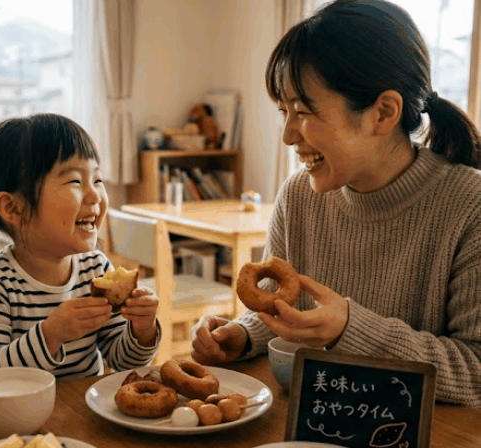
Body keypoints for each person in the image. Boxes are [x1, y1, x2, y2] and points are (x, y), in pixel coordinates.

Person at [190, 0, 481, 407]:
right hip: (313, 426)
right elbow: (283, 311)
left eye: (304, 111)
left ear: (383, 113)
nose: (288, 135)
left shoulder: (470, 206)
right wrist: (241, 335)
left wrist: (350, 327)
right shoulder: (298, 197)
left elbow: (475, 371)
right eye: (283, 111)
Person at [0, 114, 161, 378]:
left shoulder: (96, 269)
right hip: (21, 418)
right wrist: (50, 335)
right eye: (74, 181)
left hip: (81, 413)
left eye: (97, 179)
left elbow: (123, 360)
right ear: (14, 207)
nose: (95, 196)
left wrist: (143, 329)